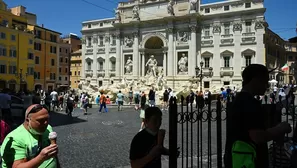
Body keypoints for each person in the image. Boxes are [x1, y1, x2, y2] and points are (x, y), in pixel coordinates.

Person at [224, 64, 292, 168]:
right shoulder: (250, 103)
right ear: (255, 80)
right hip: (249, 160)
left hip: (236, 158)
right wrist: (280, 129)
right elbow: (257, 136)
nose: (267, 86)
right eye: (265, 81)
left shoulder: (237, 100)